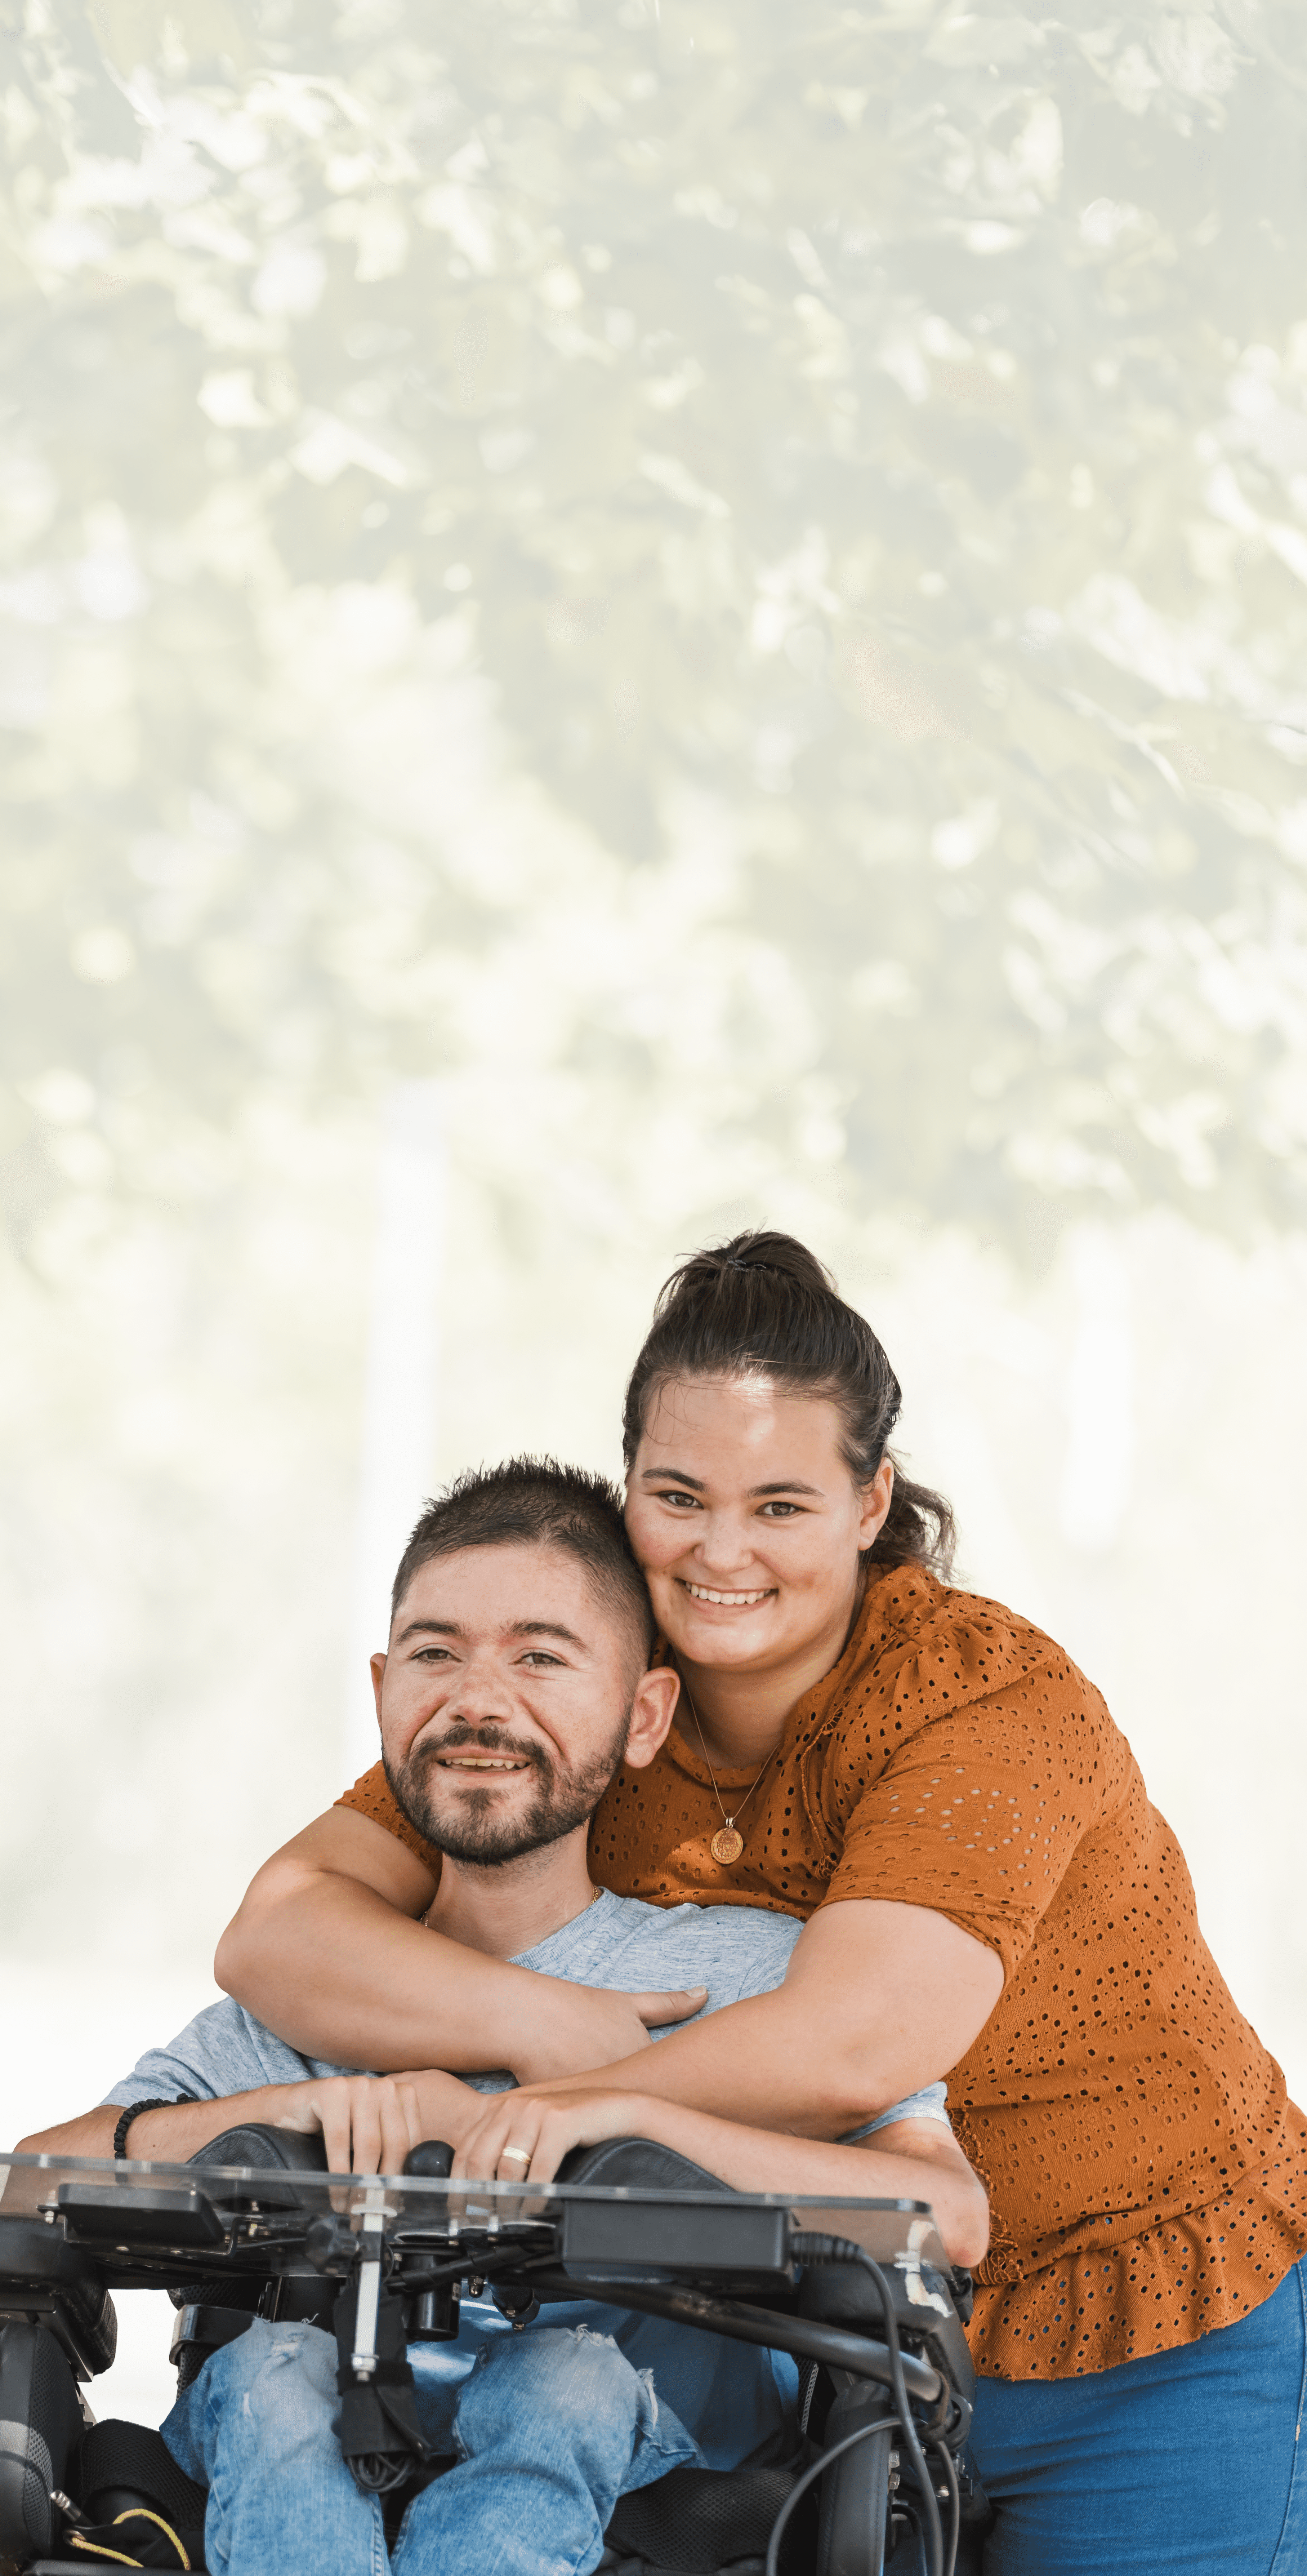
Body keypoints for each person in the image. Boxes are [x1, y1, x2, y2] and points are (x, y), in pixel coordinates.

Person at [216, 1233, 1307, 2575]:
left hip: (1152, 2332)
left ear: (870, 1501)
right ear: (628, 1495)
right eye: (679, 1496)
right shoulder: (604, 1696)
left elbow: (861, 2041)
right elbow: (280, 1929)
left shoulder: (981, 1696)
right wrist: (544, 2024)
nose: (721, 1549)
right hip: (826, 2343)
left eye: (780, 1504)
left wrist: (586, 2101)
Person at [20, 1459, 984, 2576]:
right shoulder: (313, 1996)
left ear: (642, 1716)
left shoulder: (745, 1975)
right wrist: (307, 2106)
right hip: (290, 2473)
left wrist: (617, 2111)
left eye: (540, 1656)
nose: (478, 1699)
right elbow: (34, 2175)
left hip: (652, 2512)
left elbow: (946, 2216)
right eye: (435, 1654)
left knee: (564, 2379)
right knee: (275, 2372)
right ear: (383, 1689)